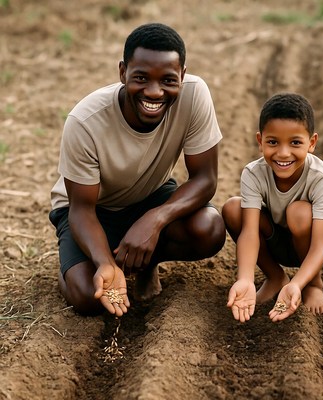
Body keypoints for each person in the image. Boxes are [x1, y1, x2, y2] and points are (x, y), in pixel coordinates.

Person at [49, 23, 226, 317]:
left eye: (168, 80)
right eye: (141, 78)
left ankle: (144, 262)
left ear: (182, 75)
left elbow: (206, 179)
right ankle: (74, 267)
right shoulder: (85, 121)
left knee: (208, 228)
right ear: (122, 73)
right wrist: (105, 264)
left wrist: (154, 220)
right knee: (89, 298)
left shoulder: (195, 95)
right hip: (94, 211)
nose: (154, 92)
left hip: (150, 196)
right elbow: (81, 210)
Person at [223, 93, 323, 323]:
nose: (283, 153)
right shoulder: (253, 173)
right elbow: (250, 232)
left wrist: (298, 284)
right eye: (273, 142)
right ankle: (275, 278)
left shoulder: (321, 177)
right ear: (260, 141)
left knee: (299, 212)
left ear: (311, 143)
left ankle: (313, 283)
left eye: (295, 142)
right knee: (233, 208)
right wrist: (245, 278)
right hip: (284, 235)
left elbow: (321, 245)